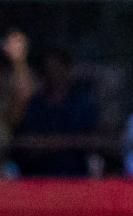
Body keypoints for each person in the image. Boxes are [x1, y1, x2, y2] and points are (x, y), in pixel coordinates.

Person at [14, 46, 99, 177]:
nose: (53, 73)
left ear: (67, 69)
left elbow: (90, 140)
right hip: (38, 177)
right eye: (48, 69)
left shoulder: (83, 103)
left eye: (57, 68)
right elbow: (28, 143)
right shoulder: (34, 104)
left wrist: (51, 143)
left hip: (75, 176)